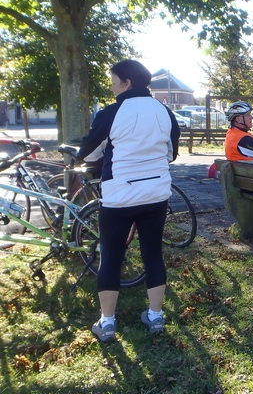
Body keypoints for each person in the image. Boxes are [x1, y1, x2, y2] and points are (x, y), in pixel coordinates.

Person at [78, 59, 181, 343]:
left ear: (127, 83)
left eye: (113, 82)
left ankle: (108, 322)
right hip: (156, 195)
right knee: (153, 254)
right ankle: (156, 316)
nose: (111, 88)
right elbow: (171, 153)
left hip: (119, 197)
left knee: (111, 256)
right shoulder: (165, 112)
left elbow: (87, 153)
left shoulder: (111, 112)